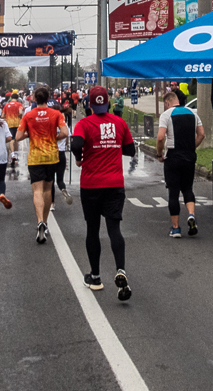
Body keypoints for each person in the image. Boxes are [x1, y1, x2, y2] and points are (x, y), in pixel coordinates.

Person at [71, 87, 136, 300]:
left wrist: (80, 157)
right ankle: (121, 270)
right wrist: (114, 147)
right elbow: (130, 150)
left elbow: (76, 143)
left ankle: (96, 276)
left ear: (89, 104)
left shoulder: (84, 123)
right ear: (108, 103)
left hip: (91, 185)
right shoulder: (119, 122)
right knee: (114, 228)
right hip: (115, 184)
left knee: (92, 229)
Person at [15, 85, 68, 244]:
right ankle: (45, 222)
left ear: (35, 98)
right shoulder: (56, 114)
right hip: (52, 156)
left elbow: (17, 137)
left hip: (35, 157)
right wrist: (55, 137)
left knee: (37, 190)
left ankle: (39, 221)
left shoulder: (29, 115)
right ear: (48, 98)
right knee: (47, 189)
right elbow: (65, 133)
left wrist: (29, 134)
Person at [155, 91, 204, 238]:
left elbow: (160, 138)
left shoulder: (166, 115)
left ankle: (176, 228)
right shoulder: (192, 113)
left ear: (168, 103)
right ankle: (191, 215)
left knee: (174, 192)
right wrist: (191, 147)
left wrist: (159, 154)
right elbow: (201, 134)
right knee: (188, 188)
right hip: (189, 156)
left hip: (173, 157)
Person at [2, 93, 23, 165]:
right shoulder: (19, 104)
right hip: (17, 123)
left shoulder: (6, 105)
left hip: (9, 124)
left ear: (11, 98)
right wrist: (19, 116)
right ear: (17, 98)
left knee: (11, 139)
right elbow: (20, 113)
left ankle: (12, 154)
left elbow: (2, 115)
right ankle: (16, 154)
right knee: (17, 139)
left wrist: (7, 118)